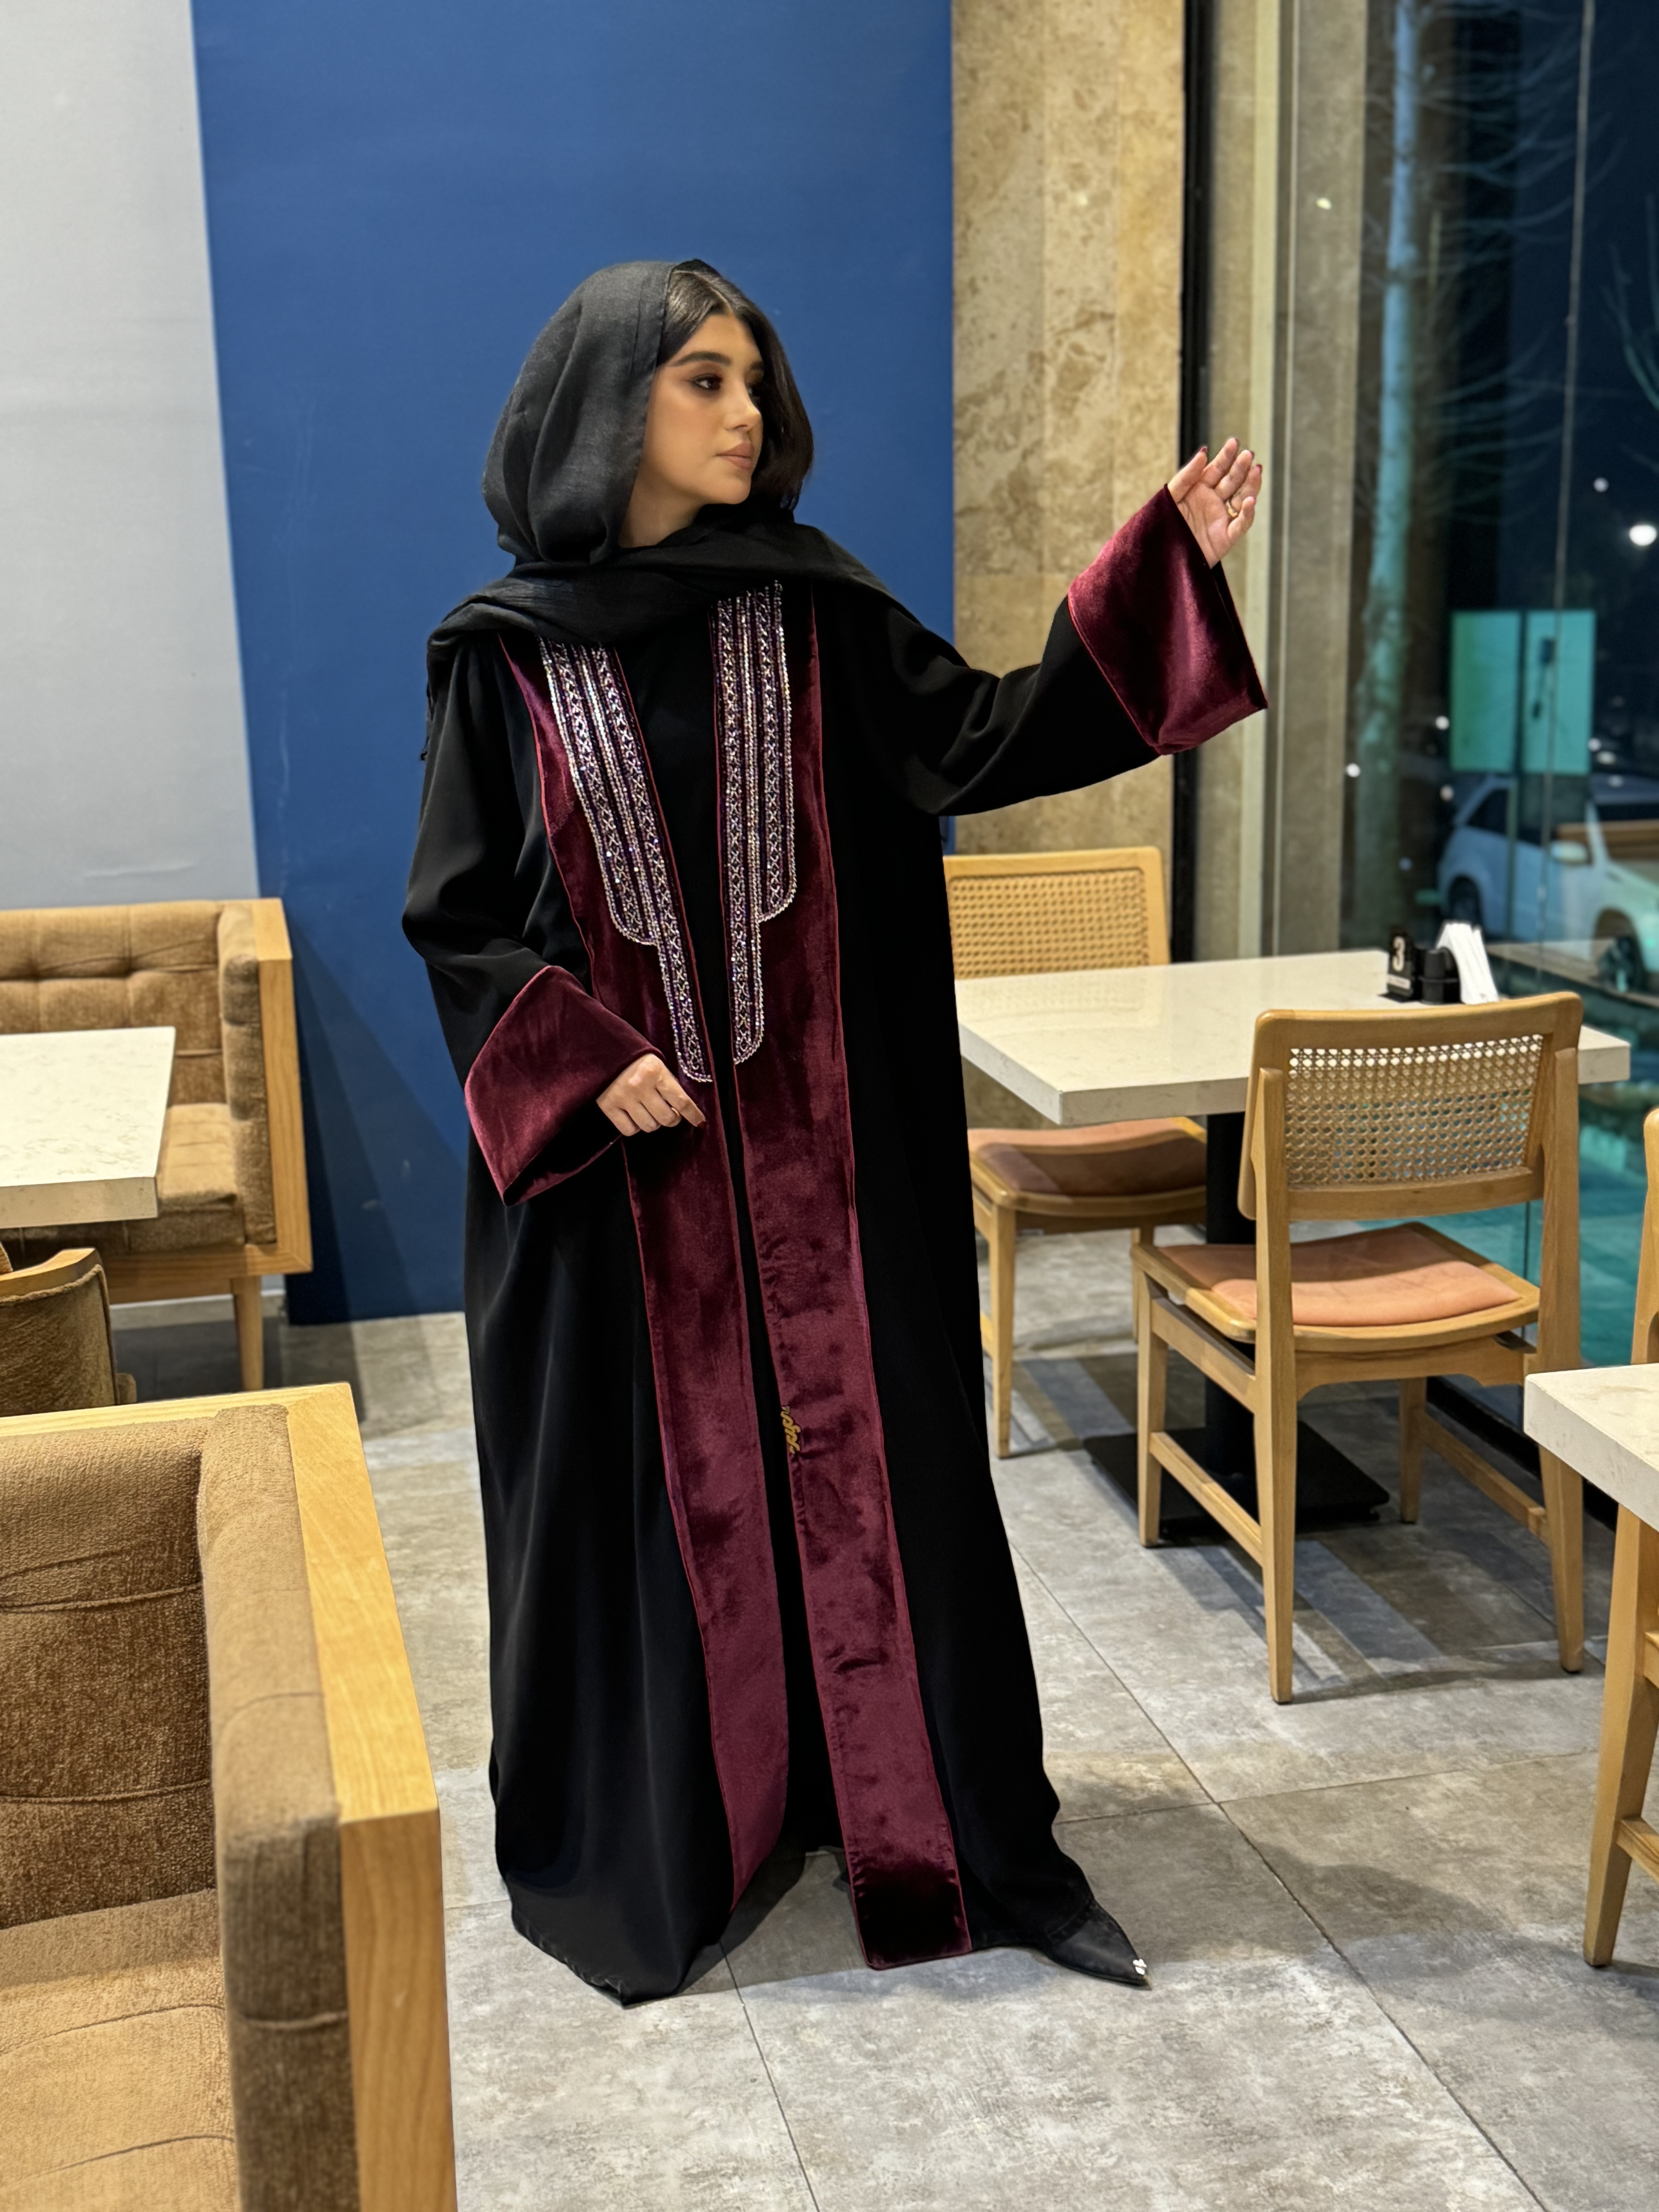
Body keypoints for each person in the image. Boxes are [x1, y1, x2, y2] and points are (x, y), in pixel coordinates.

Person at [405, 258, 1265, 2003]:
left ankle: (965, 1840)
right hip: (619, 1196)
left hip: (832, 1175)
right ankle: (685, 1834)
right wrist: (574, 1054)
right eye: (705, 381)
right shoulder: (504, 657)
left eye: (755, 383)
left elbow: (988, 739)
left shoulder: (810, 613)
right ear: (610, 404)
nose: (749, 416)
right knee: (655, 1512)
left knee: (900, 1487)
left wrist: (1155, 576)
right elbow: (457, 917)